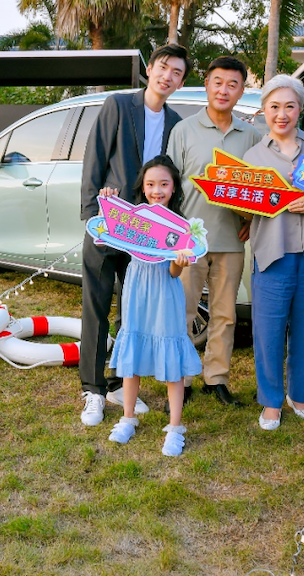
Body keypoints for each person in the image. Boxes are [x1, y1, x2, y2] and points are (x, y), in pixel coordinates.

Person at [79, 43, 189, 427]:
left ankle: (116, 384)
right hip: (111, 224)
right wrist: (93, 218)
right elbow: (95, 160)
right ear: (151, 69)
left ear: (181, 80)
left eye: (176, 72)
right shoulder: (118, 105)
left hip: (148, 235)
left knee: (133, 310)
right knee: (96, 305)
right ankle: (92, 389)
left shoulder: (176, 122)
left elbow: (172, 179)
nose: (167, 76)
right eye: (163, 67)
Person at [166, 56, 261, 408]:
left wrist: (252, 219)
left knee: (225, 314)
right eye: (218, 82)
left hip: (231, 240)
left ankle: (216, 378)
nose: (224, 90)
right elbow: (169, 185)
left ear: (241, 91)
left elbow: (256, 188)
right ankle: (182, 378)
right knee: (184, 311)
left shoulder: (250, 135)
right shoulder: (184, 131)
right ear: (207, 84)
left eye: (232, 84)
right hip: (190, 241)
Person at [243, 75, 304, 430]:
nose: (282, 114)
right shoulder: (252, 156)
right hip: (271, 253)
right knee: (268, 330)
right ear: (264, 110)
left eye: (289, 106)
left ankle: (299, 394)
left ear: (300, 109)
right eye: (274, 107)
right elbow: (242, 204)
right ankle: (270, 401)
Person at [104, 156, 204, 456]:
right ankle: (128, 417)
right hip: (136, 287)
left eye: (163, 184)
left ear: (174, 188)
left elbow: (174, 273)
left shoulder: (182, 227)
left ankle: (174, 427)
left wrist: (178, 263)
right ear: (142, 187)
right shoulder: (134, 216)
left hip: (165, 292)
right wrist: (108, 200)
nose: (156, 190)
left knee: (171, 353)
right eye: (150, 184)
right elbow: (108, 222)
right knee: (132, 349)